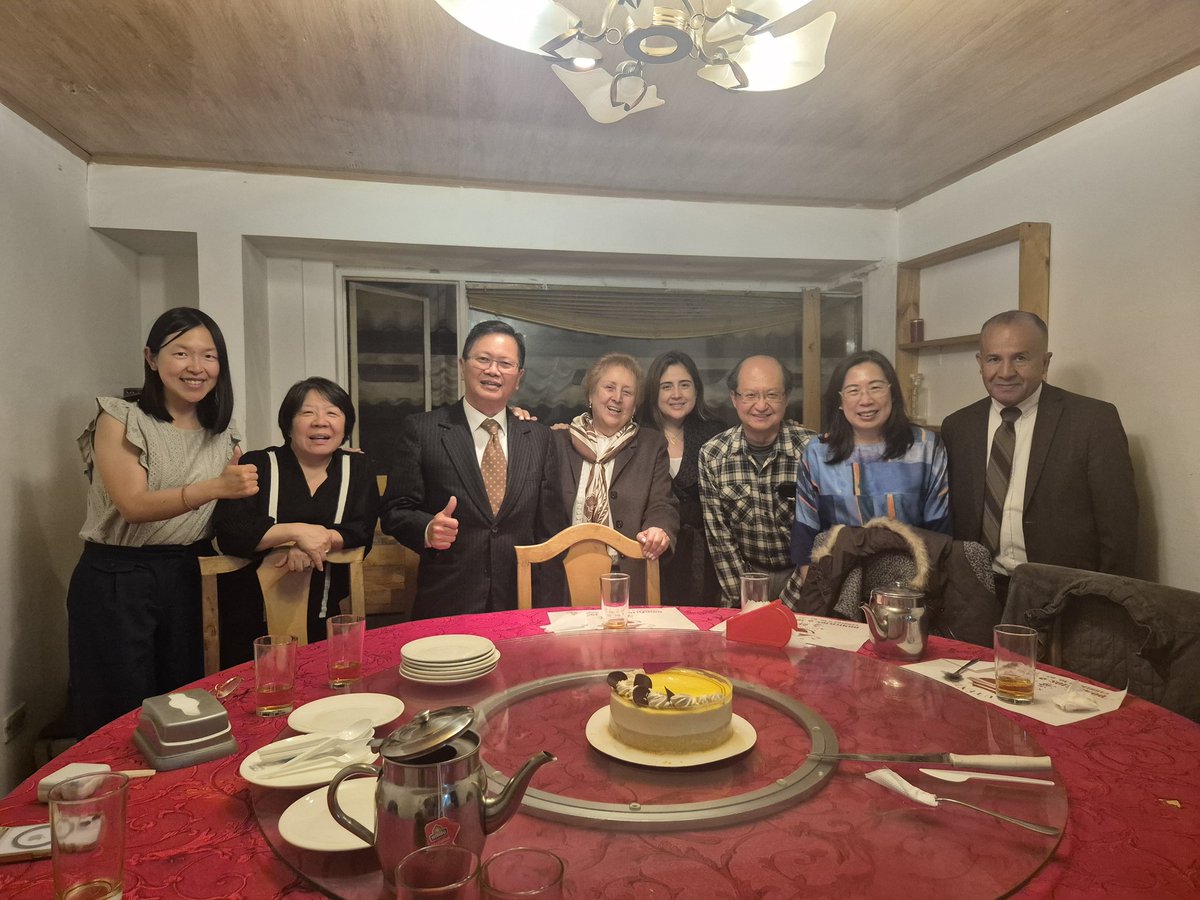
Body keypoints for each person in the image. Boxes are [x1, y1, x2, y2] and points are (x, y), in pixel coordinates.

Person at [66, 307, 259, 736]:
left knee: (185, 703)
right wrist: (215, 488)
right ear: (152, 358)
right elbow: (133, 505)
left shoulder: (223, 430)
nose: (196, 367)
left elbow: (241, 497)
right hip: (118, 579)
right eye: (181, 353)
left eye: (209, 356)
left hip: (188, 575)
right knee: (116, 712)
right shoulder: (120, 417)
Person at [941, 310, 1138, 600]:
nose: (1006, 372)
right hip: (978, 592)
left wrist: (1105, 604)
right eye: (994, 359)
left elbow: (1118, 532)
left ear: (1045, 361)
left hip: (1065, 597)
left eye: (1020, 358)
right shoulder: (957, 426)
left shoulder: (1093, 421)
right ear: (980, 362)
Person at [380, 320, 565, 617]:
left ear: (518, 377)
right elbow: (395, 510)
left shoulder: (539, 438)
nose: (493, 370)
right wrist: (427, 528)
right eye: (483, 359)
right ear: (462, 365)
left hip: (520, 600)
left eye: (505, 363)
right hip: (448, 599)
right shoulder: (422, 430)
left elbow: (550, 530)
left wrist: (552, 609)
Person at [212, 377, 379, 666]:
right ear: (288, 424)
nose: (320, 422)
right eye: (307, 413)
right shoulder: (258, 465)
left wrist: (321, 540)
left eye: (332, 413)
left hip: (328, 617)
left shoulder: (358, 468)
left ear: (345, 425)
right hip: (249, 621)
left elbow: (361, 530)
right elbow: (230, 530)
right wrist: (294, 534)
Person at [791, 350, 950, 573]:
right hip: (838, 580)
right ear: (840, 401)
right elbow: (806, 534)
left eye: (875, 387)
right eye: (853, 391)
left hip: (910, 579)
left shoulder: (926, 447)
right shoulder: (818, 453)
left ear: (892, 393)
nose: (866, 400)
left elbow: (940, 531)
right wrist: (816, 596)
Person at [551, 353, 679, 594]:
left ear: (635, 404)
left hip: (627, 578)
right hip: (561, 580)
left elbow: (662, 504)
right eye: (609, 387)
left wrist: (659, 529)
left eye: (627, 392)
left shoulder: (651, 446)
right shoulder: (557, 442)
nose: (617, 398)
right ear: (590, 394)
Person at [699, 355, 816, 608]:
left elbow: (823, 538)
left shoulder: (812, 451)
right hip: (743, 581)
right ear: (734, 398)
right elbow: (720, 541)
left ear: (785, 398)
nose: (761, 405)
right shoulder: (713, 455)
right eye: (750, 395)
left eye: (772, 395)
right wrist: (749, 602)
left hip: (804, 579)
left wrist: (785, 606)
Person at [637, 351, 725, 605]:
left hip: (707, 558)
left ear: (696, 390)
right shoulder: (636, 435)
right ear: (654, 393)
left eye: (684, 385)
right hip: (653, 554)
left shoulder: (716, 434)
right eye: (666, 387)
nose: (677, 394)